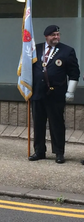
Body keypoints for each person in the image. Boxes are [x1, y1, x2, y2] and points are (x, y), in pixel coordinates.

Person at [29, 25, 80, 164]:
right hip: (38, 93)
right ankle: (39, 151)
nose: (56, 37)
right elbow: (27, 68)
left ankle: (59, 152)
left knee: (57, 124)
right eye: (53, 35)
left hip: (56, 94)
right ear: (46, 36)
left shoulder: (67, 51)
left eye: (58, 34)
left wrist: (70, 91)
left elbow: (74, 73)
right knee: (38, 124)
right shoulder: (35, 49)